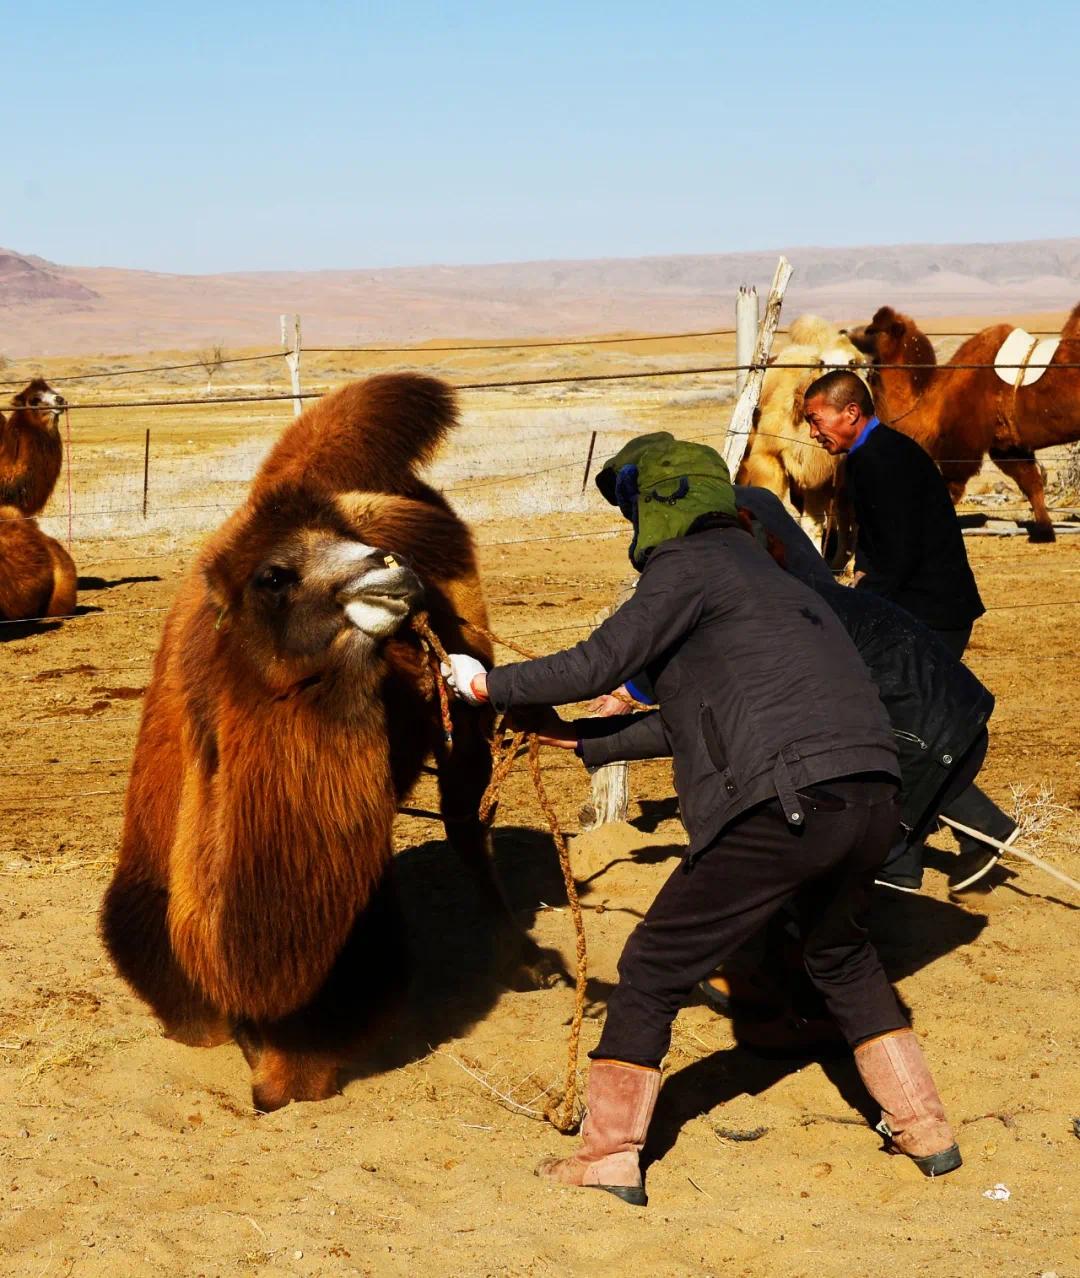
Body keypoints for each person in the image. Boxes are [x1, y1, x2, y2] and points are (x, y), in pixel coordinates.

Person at [442, 436, 963, 1207]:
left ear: (658, 504)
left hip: (785, 802)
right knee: (843, 957)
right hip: (871, 796)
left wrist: (487, 684)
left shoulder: (689, 568)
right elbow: (682, 722)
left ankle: (610, 1154)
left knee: (653, 967)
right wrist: (570, 737)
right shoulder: (778, 583)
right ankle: (925, 1128)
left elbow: (595, 662)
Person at [802, 369, 984, 659]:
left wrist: (861, 600)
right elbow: (876, 537)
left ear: (851, 412)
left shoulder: (881, 461)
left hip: (932, 614)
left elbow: (896, 551)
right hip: (924, 606)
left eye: (815, 421)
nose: (813, 433)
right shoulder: (873, 452)